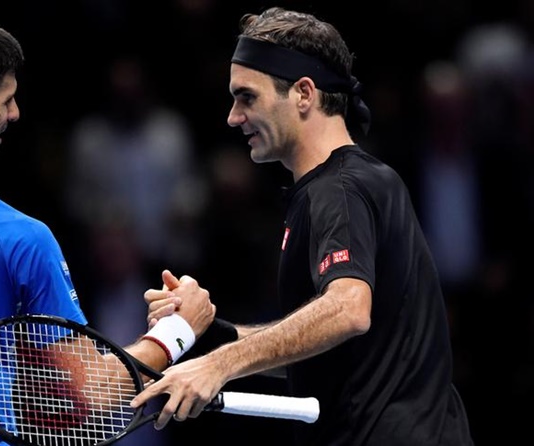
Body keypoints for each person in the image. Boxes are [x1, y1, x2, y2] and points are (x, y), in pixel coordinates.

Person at [0, 16, 214, 445]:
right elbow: (90, 396)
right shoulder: (20, 238)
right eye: (6, 100)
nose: (15, 113)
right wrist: (178, 331)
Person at [132, 7, 475, 446]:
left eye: (247, 97)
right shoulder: (350, 183)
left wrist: (220, 365)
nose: (233, 117)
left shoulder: (340, 189)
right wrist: (215, 333)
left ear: (304, 93)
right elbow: (325, 342)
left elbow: (348, 309)